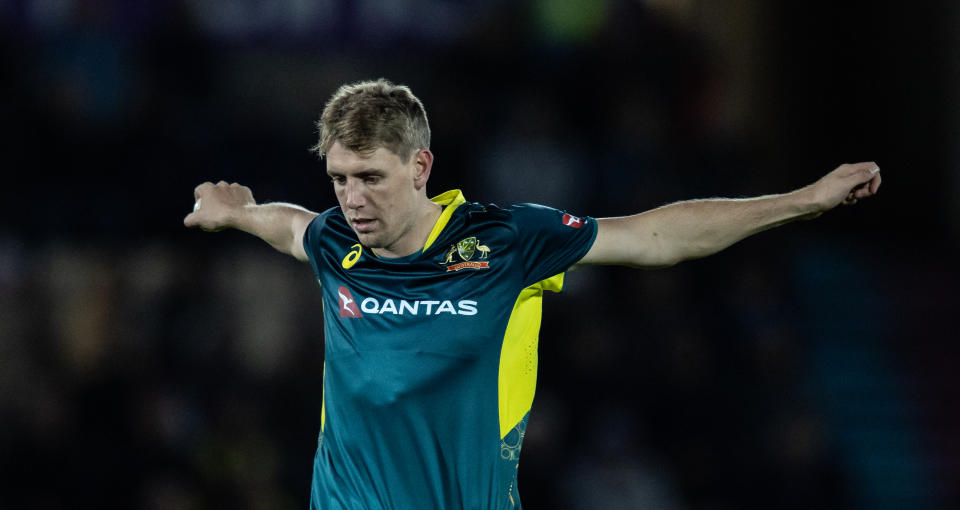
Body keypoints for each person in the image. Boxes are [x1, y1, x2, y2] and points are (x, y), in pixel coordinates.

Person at [183, 79, 881, 509]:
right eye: (339, 178)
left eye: (369, 176)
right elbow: (292, 226)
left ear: (419, 165)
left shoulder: (509, 241)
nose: (351, 198)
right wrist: (235, 211)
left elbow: (656, 238)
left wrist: (801, 201)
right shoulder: (337, 242)